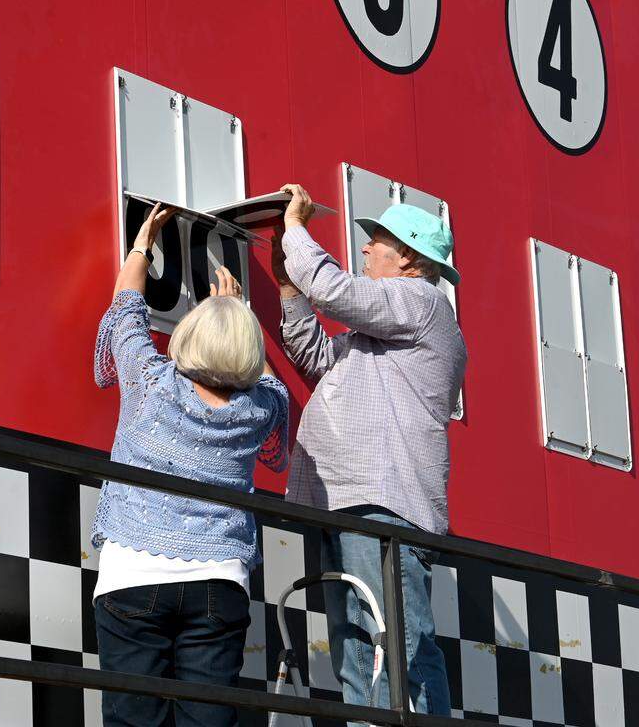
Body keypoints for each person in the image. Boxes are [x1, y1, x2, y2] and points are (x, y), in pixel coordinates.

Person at [272, 183, 466, 720]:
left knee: (396, 645)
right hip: (352, 500)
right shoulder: (380, 338)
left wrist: (294, 229)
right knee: (362, 648)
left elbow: (334, 291)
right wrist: (290, 290)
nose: (364, 250)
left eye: (374, 241)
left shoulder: (421, 300)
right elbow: (316, 357)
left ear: (406, 257)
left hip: (383, 504)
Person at [92, 203, 289, 727]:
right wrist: (241, 317)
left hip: (132, 572)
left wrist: (143, 242)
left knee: (134, 720)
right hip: (218, 581)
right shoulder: (257, 411)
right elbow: (273, 386)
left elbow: (127, 308)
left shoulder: (151, 386)